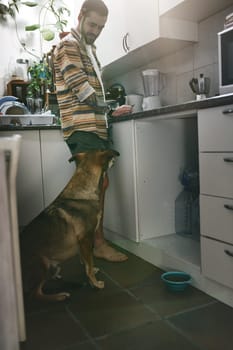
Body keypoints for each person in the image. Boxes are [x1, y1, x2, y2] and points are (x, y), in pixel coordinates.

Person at [53, 0, 131, 262]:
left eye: (101, 27)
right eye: (92, 24)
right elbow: (82, 89)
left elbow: (91, 90)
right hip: (82, 126)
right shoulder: (69, 45)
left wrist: (107, 113)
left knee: (99, 185)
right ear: (80, 16)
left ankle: (90, 244)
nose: (96, 30)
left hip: (95, 126)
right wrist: (110, 108)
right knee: (93, 189)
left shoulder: (88, 48)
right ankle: (96, 244)